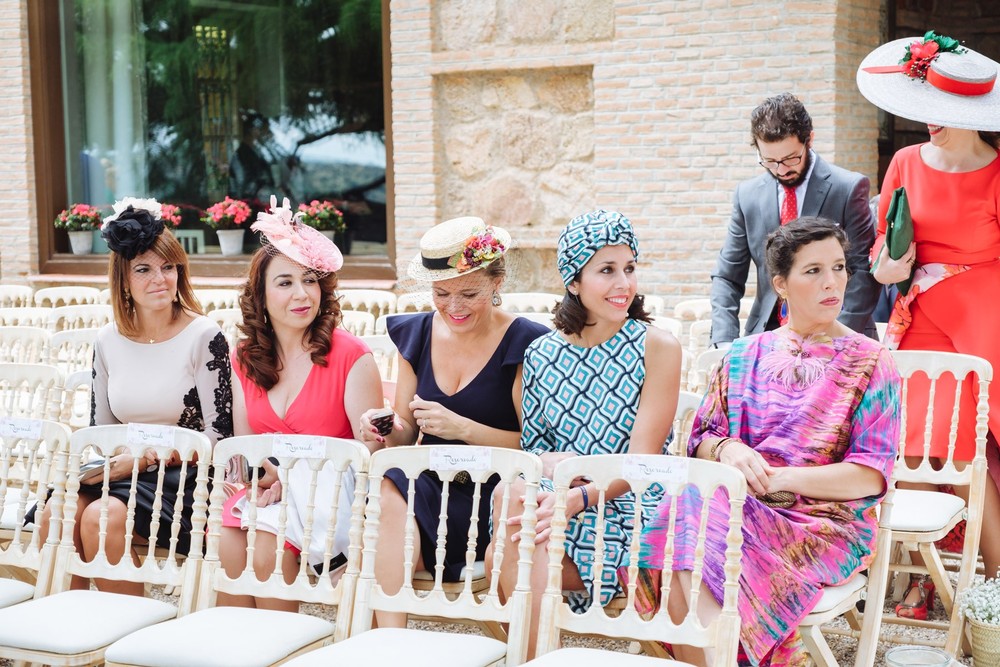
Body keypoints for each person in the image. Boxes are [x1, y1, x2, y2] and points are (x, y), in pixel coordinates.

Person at [635, 217, 899, 666]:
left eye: (838, 267)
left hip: (822, 525)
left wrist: (779, 477)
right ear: (781, 283)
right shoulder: (741, 355)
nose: (832, 282)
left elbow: (869, 475)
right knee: (687, 512)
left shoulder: (872, 362)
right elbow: (702, 439)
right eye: (813, 271)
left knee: (692, 526)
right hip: (737, 510)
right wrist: (727, 449)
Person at [488, 209, 682, 659]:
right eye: (606, 270)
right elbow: (536, 450)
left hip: (633, 500)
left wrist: (581, 494)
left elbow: (642, 462)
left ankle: (528, 655)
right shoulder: (540, 353)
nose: (623, 284)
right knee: (514, 498)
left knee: (516, 547)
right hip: (563, 498)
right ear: (574, 281)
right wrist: (559, 481)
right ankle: (535, 655)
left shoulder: (658, 345)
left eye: (629, 268)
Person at [857, 32, 1000, 618]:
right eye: (921, 114)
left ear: (970, 116)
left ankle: (993, 582)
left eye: (938, 115)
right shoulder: (904, 161)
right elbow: (881, 256)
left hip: (982, 321)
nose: (926, 125)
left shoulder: (997, 174)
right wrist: (890, 265)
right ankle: (922, 577)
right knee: (913, 446)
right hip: (916, 315)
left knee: (969, 451)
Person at [355, 215, 549, 628]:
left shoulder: (525, 341)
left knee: (387, 507)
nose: (454, 308)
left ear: (496, 283)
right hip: (426, 487)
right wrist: (383, 426)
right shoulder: (418, 334)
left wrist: (462, 429)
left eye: (469, 293)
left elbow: (535, 449)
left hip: (495, 496)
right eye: (441, 294)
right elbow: (406, 436)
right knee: (388, 483)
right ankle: (390, 644)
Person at [36, 197, 234, 595]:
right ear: (123, 279)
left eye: (168, 267)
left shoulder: (204, 335)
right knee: (54, 514)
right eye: (143, 269)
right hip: (125, 469)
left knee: (102, 516)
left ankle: (121, 628)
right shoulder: (107, 340)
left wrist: (148, 457)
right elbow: (101, 431)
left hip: (186, 476)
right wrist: (123, 463)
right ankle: (68, 627)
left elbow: (222, 436)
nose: (159, 279)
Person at [217, 197, 384, 611]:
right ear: (261, 293)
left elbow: (373, 454)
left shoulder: (351, 355)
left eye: (310, 280)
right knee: (226, 540)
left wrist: (289, 475)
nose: (301, 294)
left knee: (264, 551)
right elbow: (243, 447)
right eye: (285, 282)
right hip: (268, 489)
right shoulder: (243, 357)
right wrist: (260, 478)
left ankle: (278, 646)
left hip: (332, 491)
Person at [710, 92, 880, 347]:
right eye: (769, 161)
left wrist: (833, 339)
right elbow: (727, 276)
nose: (781, 169)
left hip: (839, 336)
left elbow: (862, 272)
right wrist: (723, 341)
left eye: (791, 158)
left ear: (809, 140)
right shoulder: (747, 196)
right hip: (768, 336)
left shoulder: (848, 188)